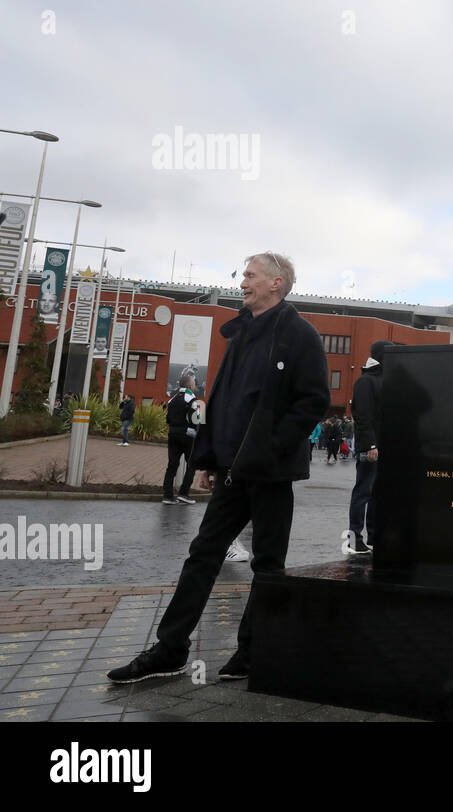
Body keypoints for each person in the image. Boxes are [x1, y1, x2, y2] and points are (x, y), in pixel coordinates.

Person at [108, 251, 328, 684]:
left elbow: (314, 400)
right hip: (232, 470)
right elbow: (223, 402)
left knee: (267, 564)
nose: (241, 281)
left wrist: (273, 446)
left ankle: (253, 650)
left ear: (276, 283)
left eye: (250, 275)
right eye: (243, 275)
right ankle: (171, 649)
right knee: (202, 555)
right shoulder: (242, 332)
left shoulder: (299, 334)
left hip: (272, 472)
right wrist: (209, 458)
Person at [345, 341, 390, 555]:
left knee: (375, 494)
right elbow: (363, 415)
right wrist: (371, 444)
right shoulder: (365, 381)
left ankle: (372, 536)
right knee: (363, 492)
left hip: (379, 446)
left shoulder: (380, 379)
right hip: (370, 447)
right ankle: (354, 539)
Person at [161, 373, 199, 505]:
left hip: (172, 434)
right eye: (194, 383)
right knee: (192, 464)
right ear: (189, 385)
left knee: (172, 465)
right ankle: (183, 493)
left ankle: (167, 496)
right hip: (188, 436)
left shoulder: (172, 399)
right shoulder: (193, 399)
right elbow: (197, 420)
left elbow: (167, 419)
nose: (195, 385)